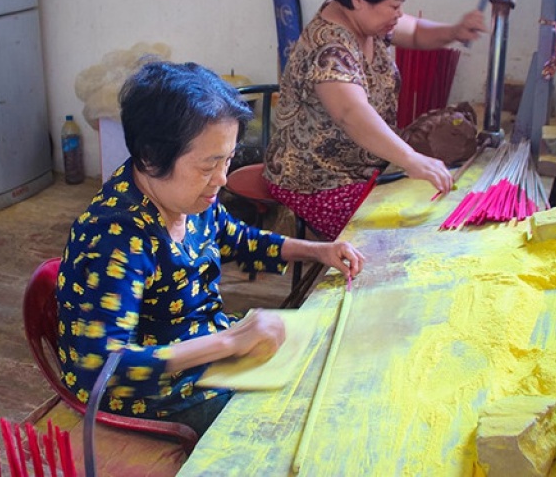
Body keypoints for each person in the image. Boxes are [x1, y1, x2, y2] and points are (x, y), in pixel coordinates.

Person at [55, 61, 365, 437]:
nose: (221, 178)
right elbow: (103, 367)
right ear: (152, 158)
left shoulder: (189, 199)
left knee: (321, 373)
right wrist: (230, 340)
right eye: (208, 166)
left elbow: (238, 238)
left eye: (228, 159)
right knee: (278, 428)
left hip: (201, 347)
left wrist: (319, 251)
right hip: (144, 392)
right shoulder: (117, 236)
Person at [264, 0, 486, 240]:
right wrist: (411, 158)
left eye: (401, 4)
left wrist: (455, 31)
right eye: (395, 5)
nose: (399, 13)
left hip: (363, 168)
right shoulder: (330, 50)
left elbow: (418, 32)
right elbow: (350, 113)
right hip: (317, 179)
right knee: (399, 237)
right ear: (358, 0)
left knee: (434, 207)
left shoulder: (367, 19)